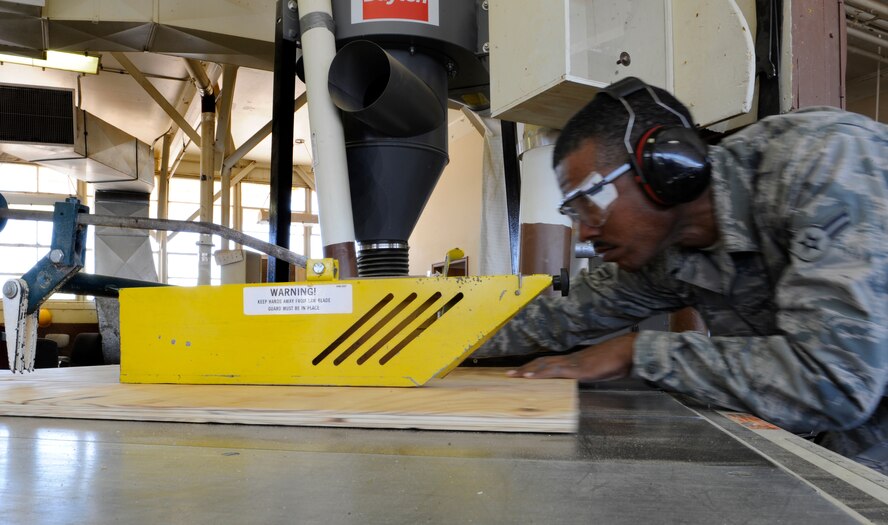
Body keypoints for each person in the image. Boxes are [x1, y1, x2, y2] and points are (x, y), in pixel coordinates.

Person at [473, 76, 888, 471]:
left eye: (591, 203)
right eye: (574, 212)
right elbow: (559, 317)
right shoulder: (668, 250)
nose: (584, 232)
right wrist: (438, 334)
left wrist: (639, 352)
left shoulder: (825, 162)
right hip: (860, 430)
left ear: (664, 169)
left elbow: (835, 380)